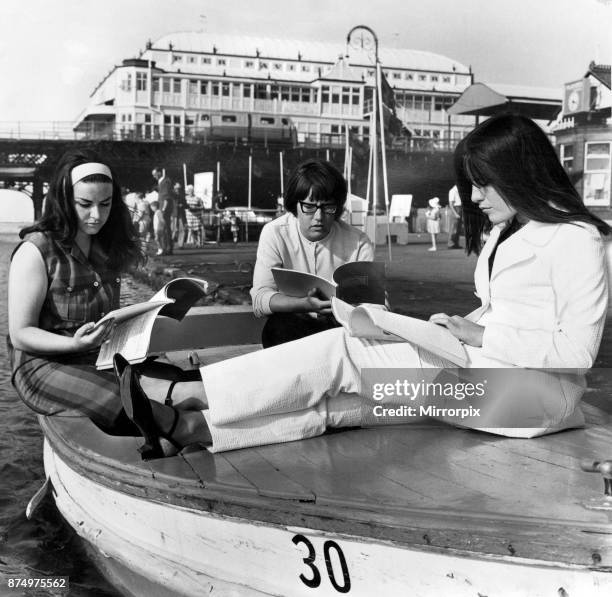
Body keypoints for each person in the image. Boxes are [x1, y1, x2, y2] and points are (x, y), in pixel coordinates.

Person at [115, 114, 609, 457]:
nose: (474, 197)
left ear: (519, 173)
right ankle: (189, 430)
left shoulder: (577, 238)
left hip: (529, 399)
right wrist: (451, 326)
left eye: (483, 183)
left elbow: (579, 350)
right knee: (344, 405)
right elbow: (503, 308)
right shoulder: (509, 229)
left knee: (342, 353)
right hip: (484, 381)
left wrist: (479, 336)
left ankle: (186, 392)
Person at [250, 159, 374, 348]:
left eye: (328, 207)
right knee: (277, 328)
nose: (319, 217)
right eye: (309, 206)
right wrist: (304, 304)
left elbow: (376, 303)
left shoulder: (359, 241)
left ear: (338, 207)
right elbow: (260, 298)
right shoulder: (274, 232)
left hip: (341, 327)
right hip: (294, 324)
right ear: (294, 205)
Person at [151, 166, 174, 255]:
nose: (154, 176)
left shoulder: (165, 182)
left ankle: (167, 248)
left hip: (164, 209)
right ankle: (165, 248)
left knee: (165, 229)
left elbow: (166, 197)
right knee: (164, 229)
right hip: (162, 208)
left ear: (159, 173)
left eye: (155, 174)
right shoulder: (161, 182)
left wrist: (163, 209)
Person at [447, 184, 463, 249]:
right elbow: (451, 204)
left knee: (458, 228)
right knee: (453, 228)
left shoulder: (459, 191)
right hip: (455, 209)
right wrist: (455, 213)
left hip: (460, 208)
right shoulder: (452, 191)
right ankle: (450, 244)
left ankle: (456, 243)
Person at [172, 181, 188, 248]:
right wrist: (177, 205)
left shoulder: (182, 195)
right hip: (174, 214)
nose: (178, 189)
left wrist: (183, 205)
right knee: (174, 230)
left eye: (179, 188)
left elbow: (186, 205)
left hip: (181, 214)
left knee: (182, 230)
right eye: (177, 188)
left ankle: (180, 244)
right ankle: (170, 244)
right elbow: (170, 204)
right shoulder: (171, 195)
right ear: (174, 187)